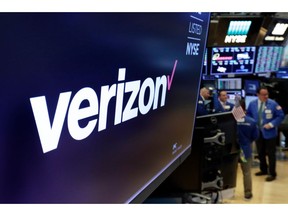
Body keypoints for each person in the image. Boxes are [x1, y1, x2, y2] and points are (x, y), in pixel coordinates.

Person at [246, 86, 284, 182]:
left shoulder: (273, 104)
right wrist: (252, 123)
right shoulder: (252, 104)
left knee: (271, 154)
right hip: (258, 132)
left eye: (267, 94)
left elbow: (280, 116)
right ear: (258, 94)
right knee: (260, 152)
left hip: (270, 133)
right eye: (263, 94)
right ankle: (263, 170)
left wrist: (271, 124)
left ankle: (272, 173)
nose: (265, 96)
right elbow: (248, 115)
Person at [236, 99, 259, 200]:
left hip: (231, 152)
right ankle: (248, 193)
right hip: (245, 151)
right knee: (247, 173)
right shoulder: (252, 122)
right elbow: (255, 136)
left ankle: (225, 191)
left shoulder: (230, 121)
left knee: (228, 172)